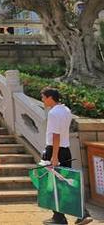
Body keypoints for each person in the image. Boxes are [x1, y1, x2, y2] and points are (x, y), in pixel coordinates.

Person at [40, 87, 93, 225]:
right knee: (65, 183)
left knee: (53, 184)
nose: (42, 100)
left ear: (50, 97)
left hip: (55, 151)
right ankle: (74, 214)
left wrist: (54, 156)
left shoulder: (53, 113)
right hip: (65, 150)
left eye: (43, 97)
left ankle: (61, 217)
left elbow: (55, 135)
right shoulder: (66, 110)